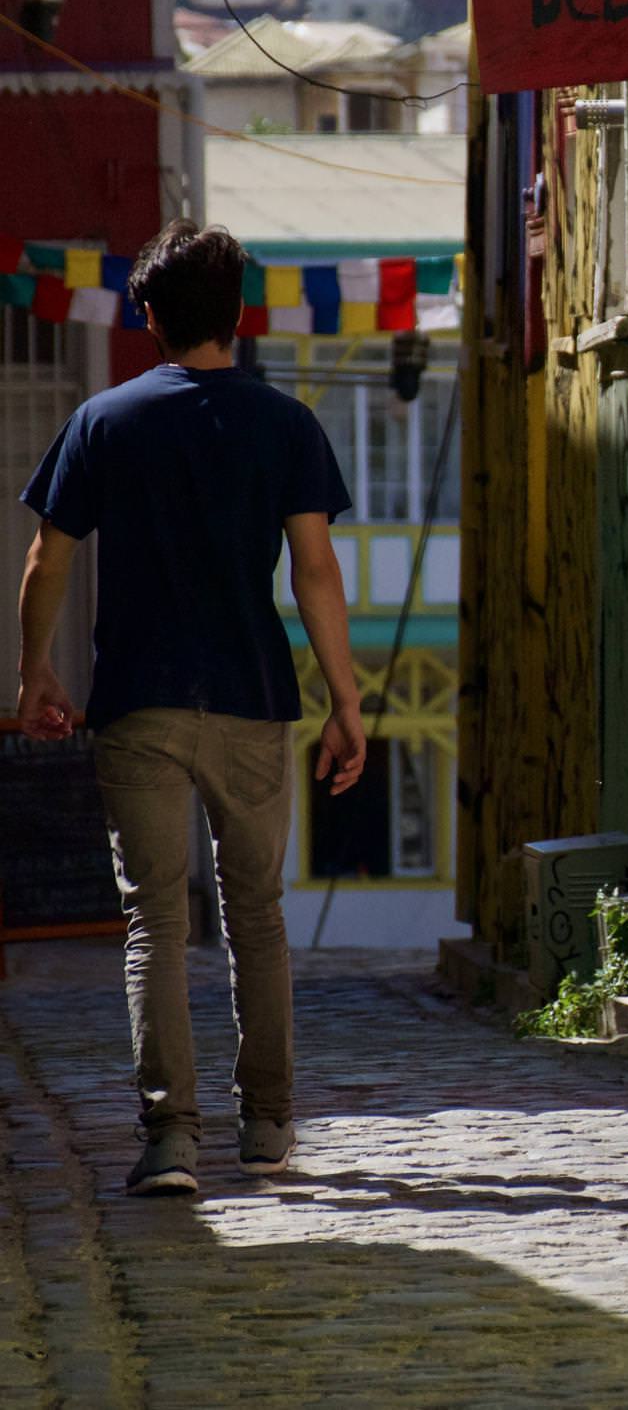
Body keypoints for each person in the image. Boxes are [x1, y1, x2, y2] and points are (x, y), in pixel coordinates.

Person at [12, 220, 365, 1196]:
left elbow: (49, 556)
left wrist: (35, 670)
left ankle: (170, 1139)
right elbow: (317, 571)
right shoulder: (285, 425)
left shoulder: (106, 421)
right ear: (239, 315)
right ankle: (267, 1125)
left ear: (152, 318)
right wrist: (345, 699)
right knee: (257, 913)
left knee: (153, 924)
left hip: (138, 699)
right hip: (253, 694)